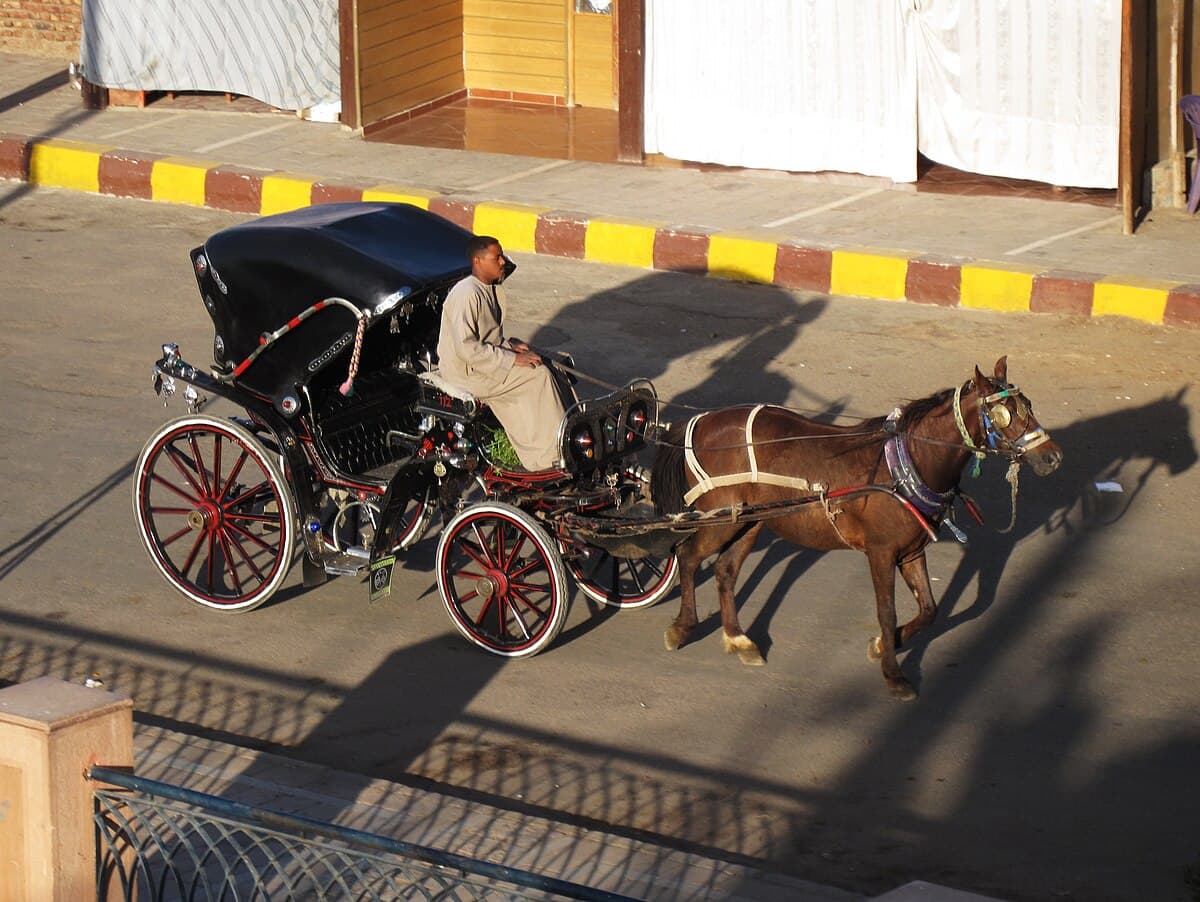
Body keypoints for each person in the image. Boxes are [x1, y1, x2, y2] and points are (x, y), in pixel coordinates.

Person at [436, 236, 566, 471]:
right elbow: (467, 348)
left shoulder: (489, 288)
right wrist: (512, 358)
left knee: (555, 364)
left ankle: (566, 435)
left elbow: (488, 337)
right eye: (496, 257)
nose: (503, 261)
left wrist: (510, 345)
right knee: (538, 376)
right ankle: (546, 457)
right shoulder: (466, 294)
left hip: (484, 360)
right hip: (467, 372)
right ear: (477, 261)